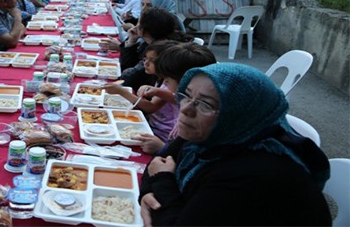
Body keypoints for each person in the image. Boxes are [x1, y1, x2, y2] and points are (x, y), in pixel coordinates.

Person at [140, 63, 331, 225]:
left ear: (239, 116)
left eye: (205, 104)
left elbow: (158, 172)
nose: (186, 109)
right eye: (186, 96)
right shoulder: (209, 135)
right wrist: (150, 195)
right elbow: (157, 162)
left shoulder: (252, 174)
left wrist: (162, 181)